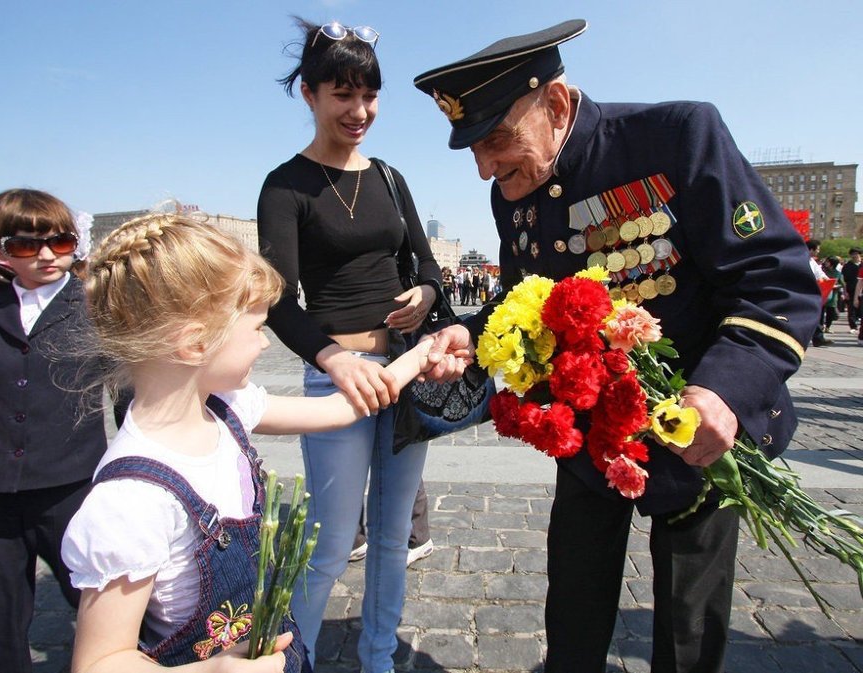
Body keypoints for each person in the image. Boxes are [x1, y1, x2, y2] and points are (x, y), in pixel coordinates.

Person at [413, 19, 821, 673]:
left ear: (555, 104)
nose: (486, 167)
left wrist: (722, 390)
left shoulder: (676, 137)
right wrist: (474, 325)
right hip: (589, 442)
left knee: (687, 635)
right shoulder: (511, 193)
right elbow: (532, 293)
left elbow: (776, 282)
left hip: (697, 440)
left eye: (495, 139)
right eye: (473, 150)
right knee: (571, 617)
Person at [60, 213, 436, 672]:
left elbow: (340, 409)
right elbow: (100, 662)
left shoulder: (228, 406)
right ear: (195, 344)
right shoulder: (129, 501)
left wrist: (421, 355)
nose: (263, 345)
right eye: (258, 329)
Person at [255, 19, 441, 673]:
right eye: (343, 94)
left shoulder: (390, 176)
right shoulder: (286, 185)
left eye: (369, 94)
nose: (359, 110)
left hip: (407, 368)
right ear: (310, 94)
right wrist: (332, 358)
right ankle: (290, 661)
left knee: (393, 537)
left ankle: (378, 657)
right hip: (339, 376)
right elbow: (278, 298)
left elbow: (427, 265)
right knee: (330, 542)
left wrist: (423, 290)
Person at [0, 188, 108, 673]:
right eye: (24, 245)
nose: (45, 256)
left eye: (59, 242)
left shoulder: (97, 305)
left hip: (72, 485)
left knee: (97, 600)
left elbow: (126, 392)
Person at [806, 239, 833, 346]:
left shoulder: (812, 261)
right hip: (800, 292)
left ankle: (818, 338)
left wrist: (828, 281)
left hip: (809, 293)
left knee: (813, 315)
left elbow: (820, 274)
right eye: (817, 250)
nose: (818, 252)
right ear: (811, 249)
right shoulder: (799, 259)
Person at [820, 256, 844, 334]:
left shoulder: (837, 273)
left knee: (830, 311)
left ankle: (828, 327)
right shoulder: (822, 271)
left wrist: (835, 286)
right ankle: (820, 327)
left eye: (828, 261)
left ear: (832, 263)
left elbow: (842, 284)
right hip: (823, 293)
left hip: (833, 294)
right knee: (821, 311)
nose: (826, 262)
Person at [841, 247, 862, 332]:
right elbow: (844, 280)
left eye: (856, 254)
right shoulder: (847, 266)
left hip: (862, 290)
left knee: (861, 309)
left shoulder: (862, 265)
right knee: (851, 309)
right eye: (852, 254)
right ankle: (853, 326)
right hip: (851, 289)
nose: (854, 256)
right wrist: (845, 292)